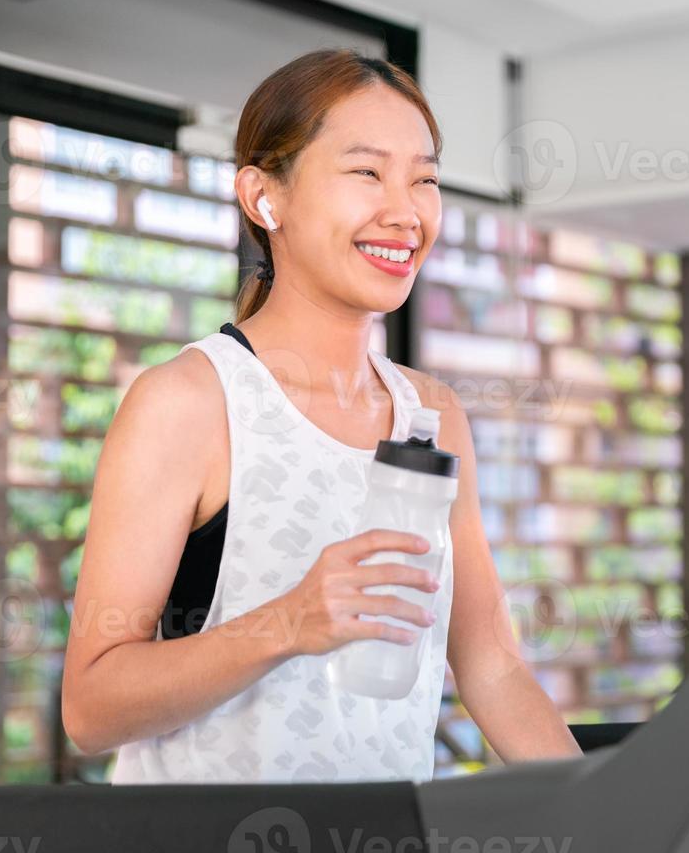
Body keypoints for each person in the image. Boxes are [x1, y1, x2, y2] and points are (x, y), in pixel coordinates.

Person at [62, 49, 582, 782]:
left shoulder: (432, 415)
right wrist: (290, 621)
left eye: (424, 179)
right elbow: (91, 710)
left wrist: (607, 827)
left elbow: (492, 668)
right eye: (366, 172)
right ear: (264, 198)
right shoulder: (189, 402)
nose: (405, 212)